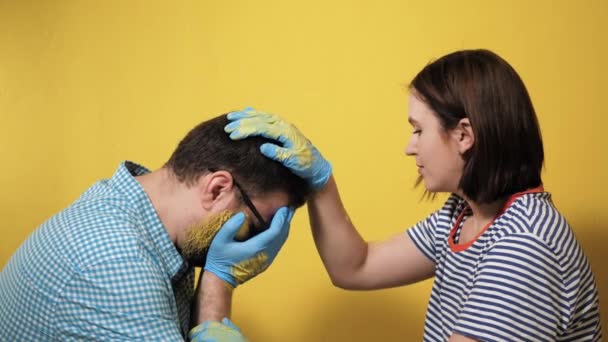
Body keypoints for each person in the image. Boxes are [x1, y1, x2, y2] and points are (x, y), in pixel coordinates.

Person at [224, 49, 602, 341]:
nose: (409, 147)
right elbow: (355, 266)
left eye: (418, 130)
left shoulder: (525, 244)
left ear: (464, 135)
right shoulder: (462, 216)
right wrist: (321, 180)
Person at [0, 114, 310, 341]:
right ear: (216, 189)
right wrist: (220, 283)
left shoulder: (142, 216)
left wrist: (218, 275)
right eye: (256, 226)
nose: (256, 244)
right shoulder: (121, 263)